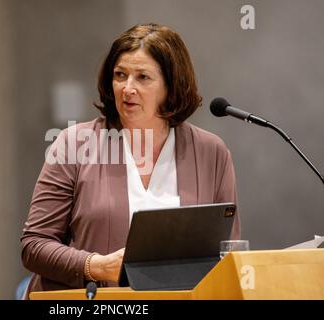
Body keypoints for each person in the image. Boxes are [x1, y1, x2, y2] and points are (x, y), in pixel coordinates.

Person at [20, 23, 240, 299]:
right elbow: (34, 246)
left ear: (171, 86)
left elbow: (227, 252)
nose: (127, 88)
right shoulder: (74, 144)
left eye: (143, 77)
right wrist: (96, 266)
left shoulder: (211, 151)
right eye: (120, 75)